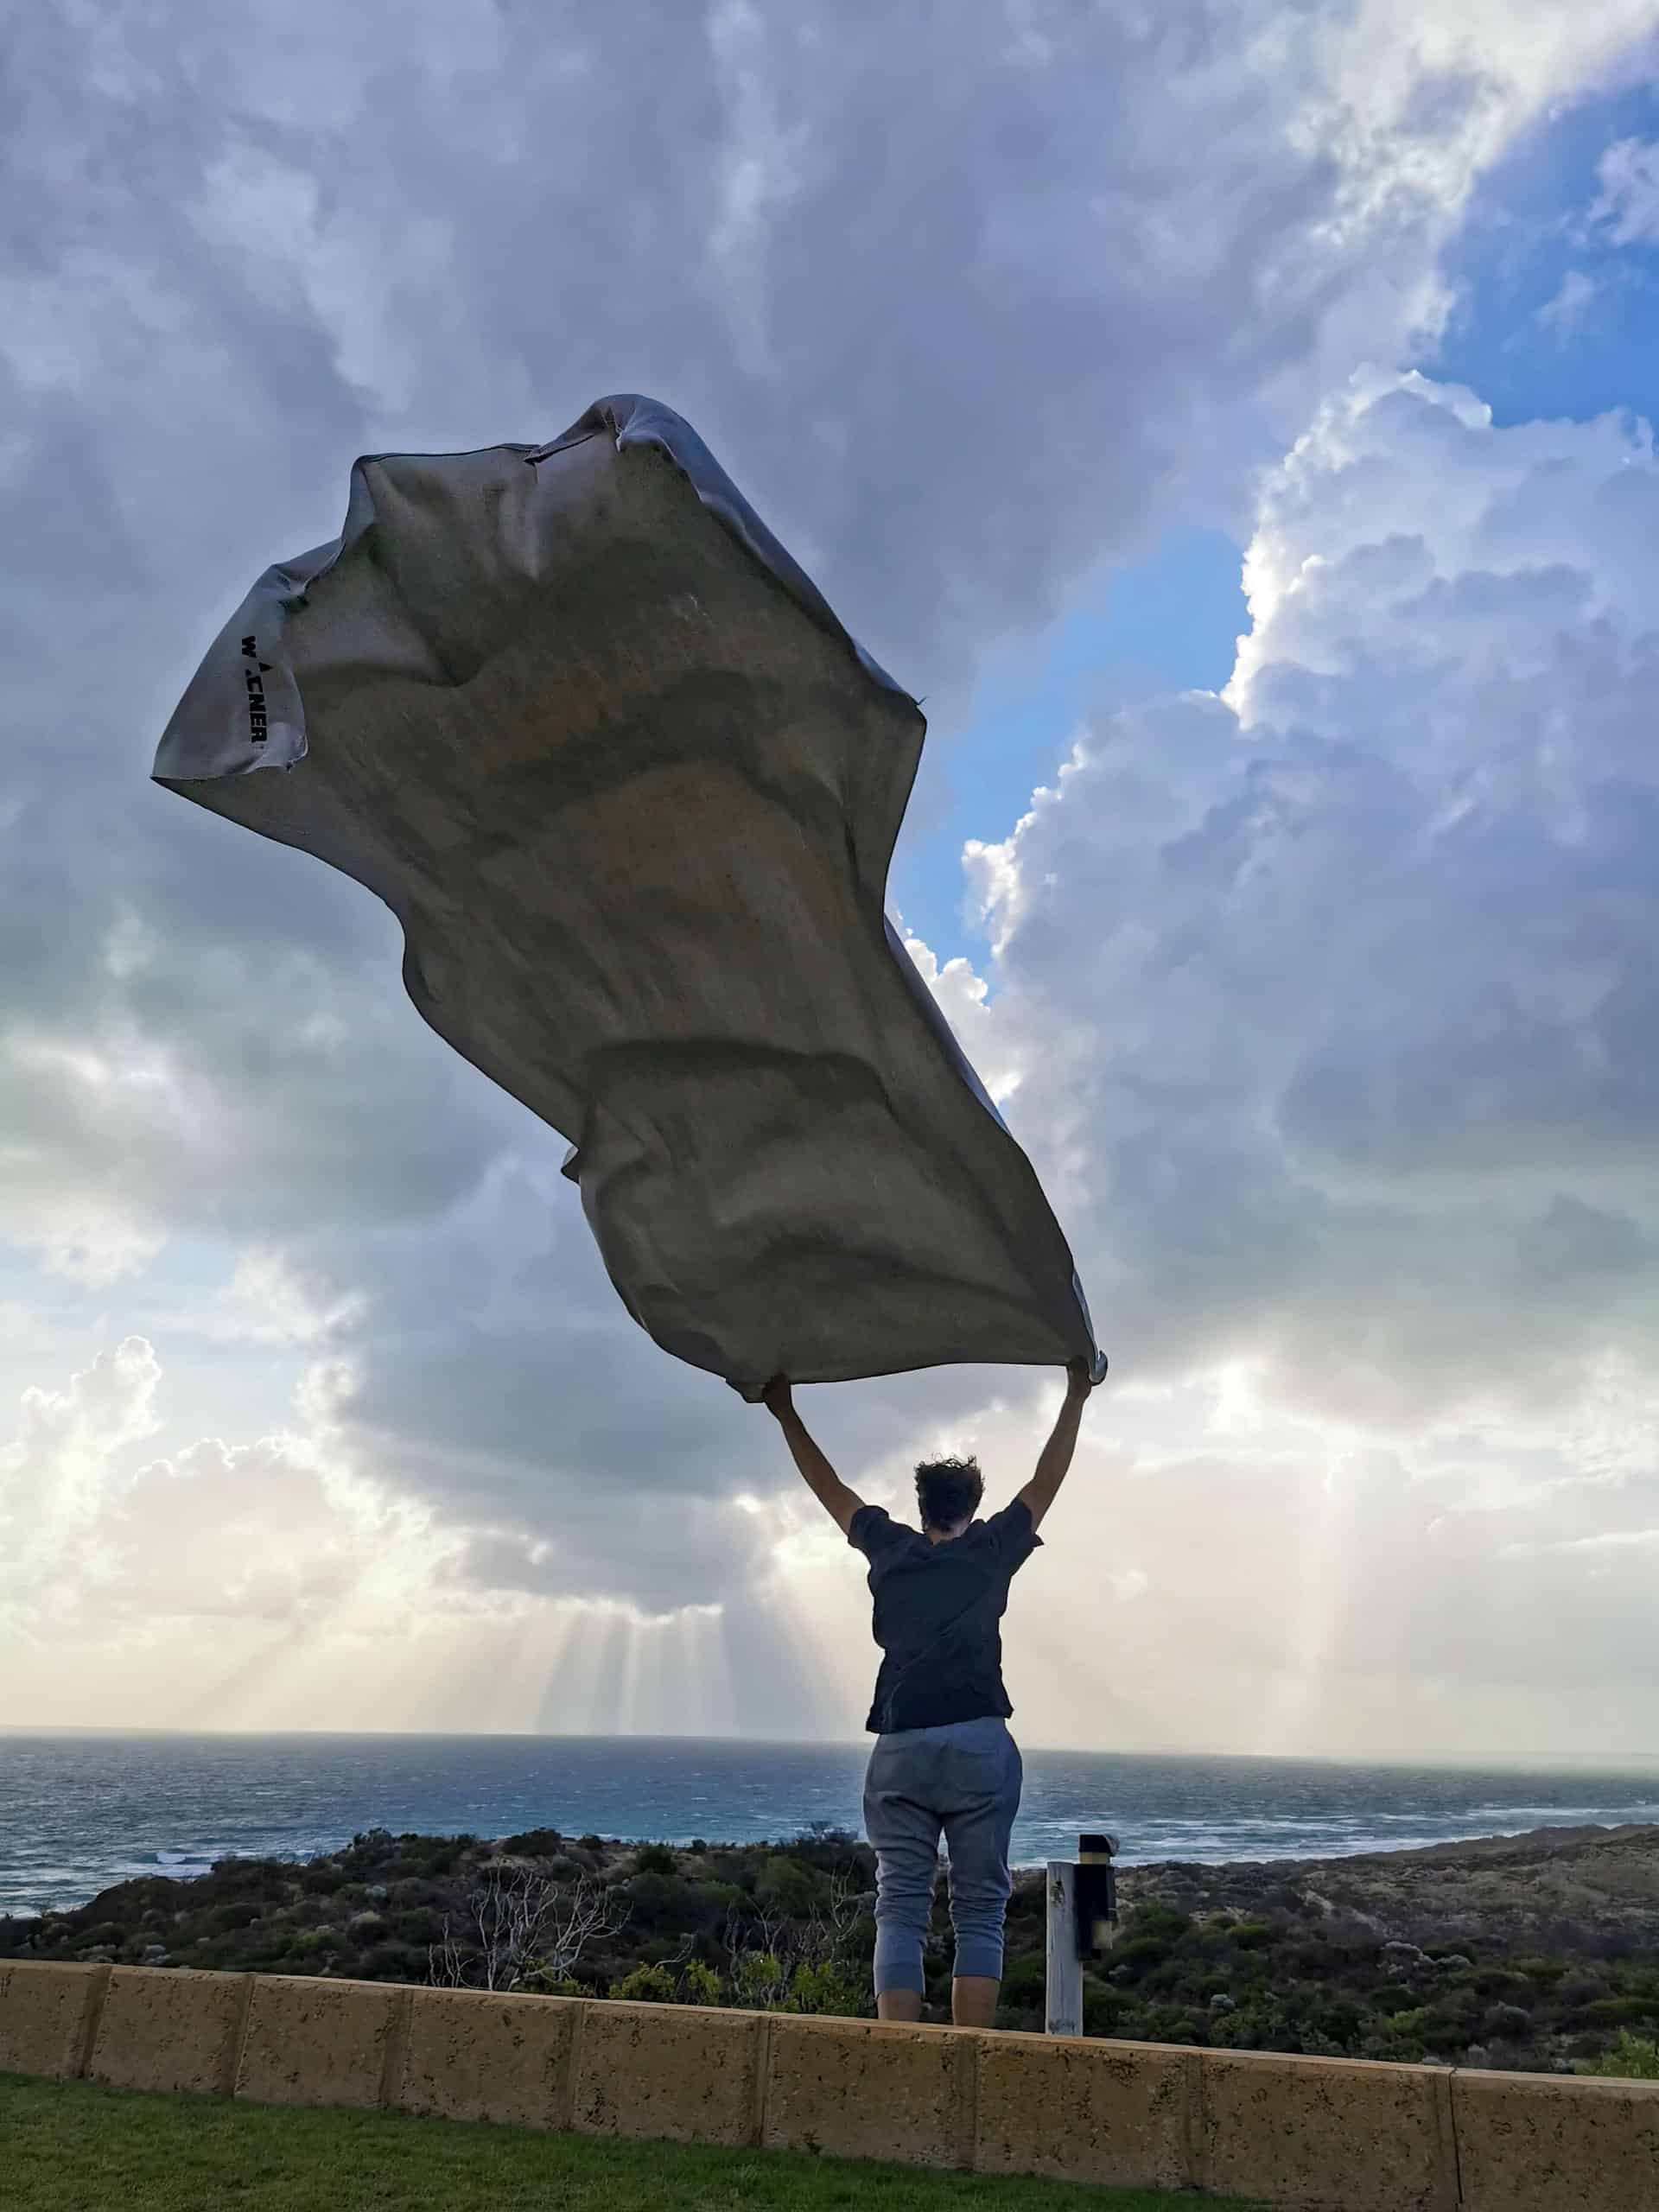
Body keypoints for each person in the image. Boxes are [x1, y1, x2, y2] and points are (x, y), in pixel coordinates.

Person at [760, 1358, 1095, 2029]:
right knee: (978, 1910)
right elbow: (1046, 1477)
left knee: (901, 1907)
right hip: (978, 1743)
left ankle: (899, 2067)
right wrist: (1075, 1393)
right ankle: (964, 2072)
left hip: (902, 1747)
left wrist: (784, 1410)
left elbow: (828, 1487)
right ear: (972, 1508)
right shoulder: (991, 1549)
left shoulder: (890, 1550)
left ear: (921, 1509)